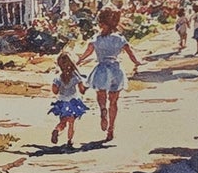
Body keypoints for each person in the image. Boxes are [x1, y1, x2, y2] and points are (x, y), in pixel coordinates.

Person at [74, 8, 143, 144]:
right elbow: (131, 54)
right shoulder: (120, 39)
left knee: (101, 94)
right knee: (114, 101)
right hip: (116, 70)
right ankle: (111, 128)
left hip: (102, 70)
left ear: (101, 23)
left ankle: (102, 110)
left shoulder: (96, 39)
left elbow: (87, 52)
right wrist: (137, 62)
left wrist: (79, 60)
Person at [47, 50, 90, 150]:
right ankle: (70, 141)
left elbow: (55, 91)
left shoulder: (58, 78)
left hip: (62, 103)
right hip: (73, 102)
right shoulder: (76, 77)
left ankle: (57, 130)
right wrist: (86, 87)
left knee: (63, 122)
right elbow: (82, 90)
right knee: (71, 123)